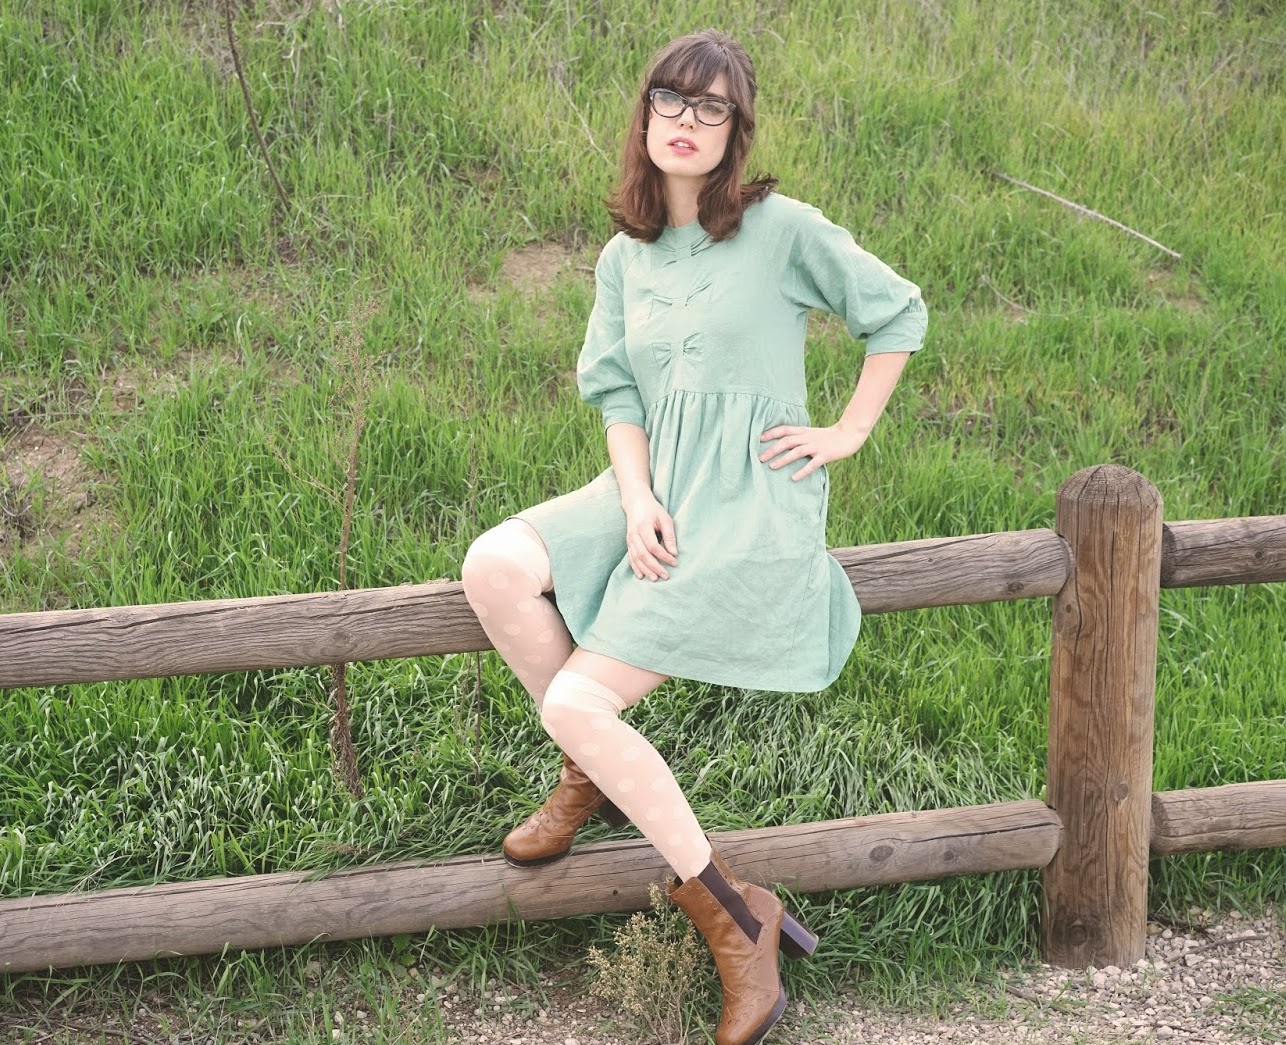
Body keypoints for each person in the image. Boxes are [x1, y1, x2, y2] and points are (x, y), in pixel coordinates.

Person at [461, 28, 927, 1045]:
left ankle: (730, 914)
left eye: (710, 108)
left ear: (735, 131)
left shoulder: (781, 230)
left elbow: (895, 313)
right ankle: (589, 767)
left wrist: (846, 431)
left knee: (582, 694)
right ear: (643, 116)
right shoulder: (623, 255)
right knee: (493, 566)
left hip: (748, 505)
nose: (685, 121)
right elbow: (617, 392)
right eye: (670, 100)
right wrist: (632, 498)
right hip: (651, 484)